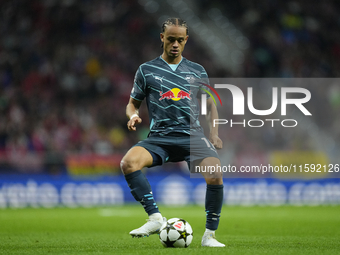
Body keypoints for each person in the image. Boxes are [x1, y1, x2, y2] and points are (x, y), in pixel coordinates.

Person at [120, 17, 225, 247]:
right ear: (162, 38)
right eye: (171, 39)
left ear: (186, 40)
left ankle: (209, 235)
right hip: (160, 138)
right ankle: (155, 218)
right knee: (128, 163)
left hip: (192, 136)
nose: (175, 44)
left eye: (180, 40)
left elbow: (210, 106)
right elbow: (132, 103)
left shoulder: (197, 70)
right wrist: (133, 115)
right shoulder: (146, 70)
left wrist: (214, 133)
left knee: (215, 174)